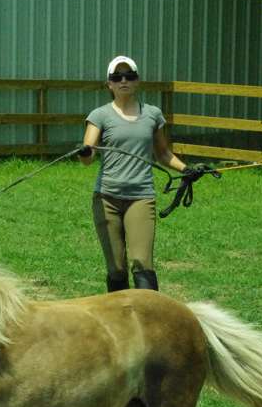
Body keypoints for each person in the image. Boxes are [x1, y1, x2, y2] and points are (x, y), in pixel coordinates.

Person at [78, 56, 201, 293]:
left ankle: (151, 320)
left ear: (137, 81)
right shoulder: (99, 116)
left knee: (142, 263)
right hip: (107, 198)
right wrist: (85, 152)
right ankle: (120, 320)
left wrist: (187, 169)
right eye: (117, 77)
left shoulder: (152, 114)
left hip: (141, 197)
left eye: (129, 76)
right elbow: (88, 155)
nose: (123, 81)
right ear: (109, 84)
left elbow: (163, 154)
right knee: (116, 268)